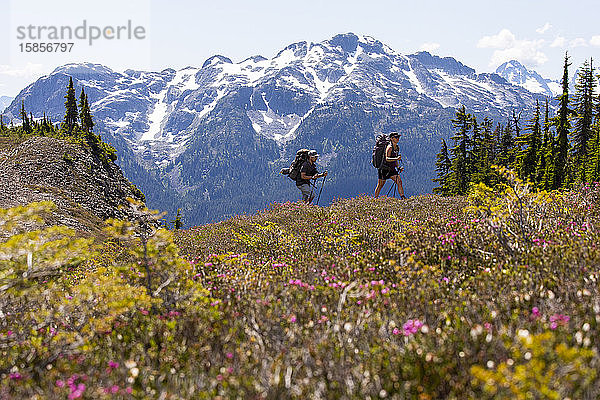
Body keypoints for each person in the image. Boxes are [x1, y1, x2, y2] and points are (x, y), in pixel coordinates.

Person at [374, 132, 406, 199]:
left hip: (392, 169)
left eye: (398, 137)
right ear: (391, 138)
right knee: (380, 184)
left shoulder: (397, 147)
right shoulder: (390, 147)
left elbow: (395, 159)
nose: (398, 139)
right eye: (396, 137)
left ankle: (403, 197)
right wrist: (396, 158)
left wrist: (398, 167)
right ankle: (375, 199)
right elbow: (387, 158)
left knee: (399, 181)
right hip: (384, 169)